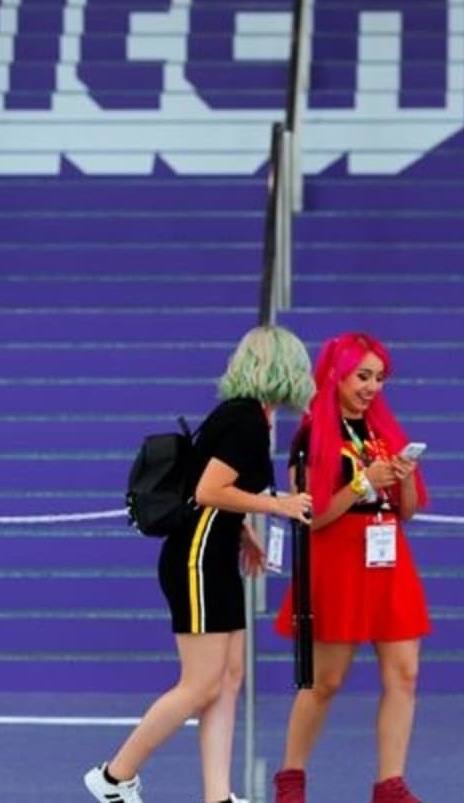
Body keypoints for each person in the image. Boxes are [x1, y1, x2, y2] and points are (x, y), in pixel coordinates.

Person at [86, 324, 317, 803]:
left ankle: (218, 795)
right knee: (199, 684)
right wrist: (281, 507)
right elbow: (208, 491)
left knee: (229, 678)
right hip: (196, 561)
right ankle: (113, 776)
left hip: (215, 556)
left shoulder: (247, 416)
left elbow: (217, 489)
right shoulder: (245, 420)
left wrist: (247, 533)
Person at [271, 332, 430, 803]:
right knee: (326, 681)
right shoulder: (310, 438)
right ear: (336, 375)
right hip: (337, 559)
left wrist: (401, 480)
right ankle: (291, 776)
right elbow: (311, 515)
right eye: (363, 376)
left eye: (379, 378)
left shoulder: (384, 433)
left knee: (404, 674)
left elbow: (409, 511)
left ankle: (390, 783)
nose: (372, 387)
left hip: (388, 559)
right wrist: (363, 484)